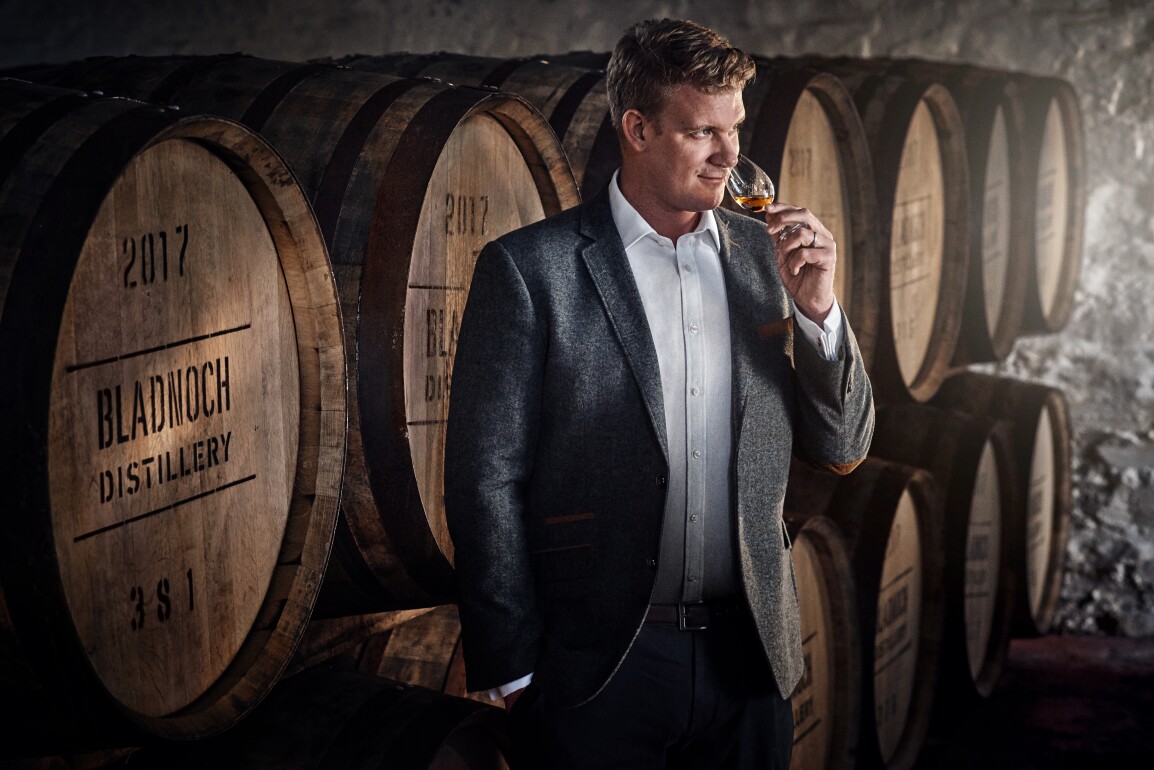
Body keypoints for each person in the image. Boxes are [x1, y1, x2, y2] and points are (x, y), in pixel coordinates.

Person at [444, 17, 874, 769]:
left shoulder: (768, 259)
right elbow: (485, 480)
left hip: (750, 663)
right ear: (637, 129)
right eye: (702, 132)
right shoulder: (531, 270)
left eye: (734, 129)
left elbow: (841, 445)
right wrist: (515, 674)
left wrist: (820, 315)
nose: (729, 156)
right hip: (599, 670)